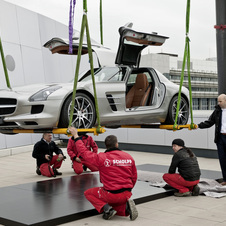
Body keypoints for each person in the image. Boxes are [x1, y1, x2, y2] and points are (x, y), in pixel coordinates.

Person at [68, 126, 138, 221]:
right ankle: (125, 208)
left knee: (88, 193)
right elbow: (134, 177)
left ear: (106, 146)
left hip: (111, 194)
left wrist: (76, 136)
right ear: (117, 144)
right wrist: (128, 190)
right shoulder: (129, 157)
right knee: (117, 202)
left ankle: (107, 209)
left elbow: (84, 152)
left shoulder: (101, 158)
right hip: (127, 193)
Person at [198, 94, 226, 185]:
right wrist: (198, 126)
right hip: (220, 138)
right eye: (218, 101)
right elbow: (210, 122)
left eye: (220, 101)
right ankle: (225, 179)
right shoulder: (217, 111)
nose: (219, 103)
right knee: (222, 159)